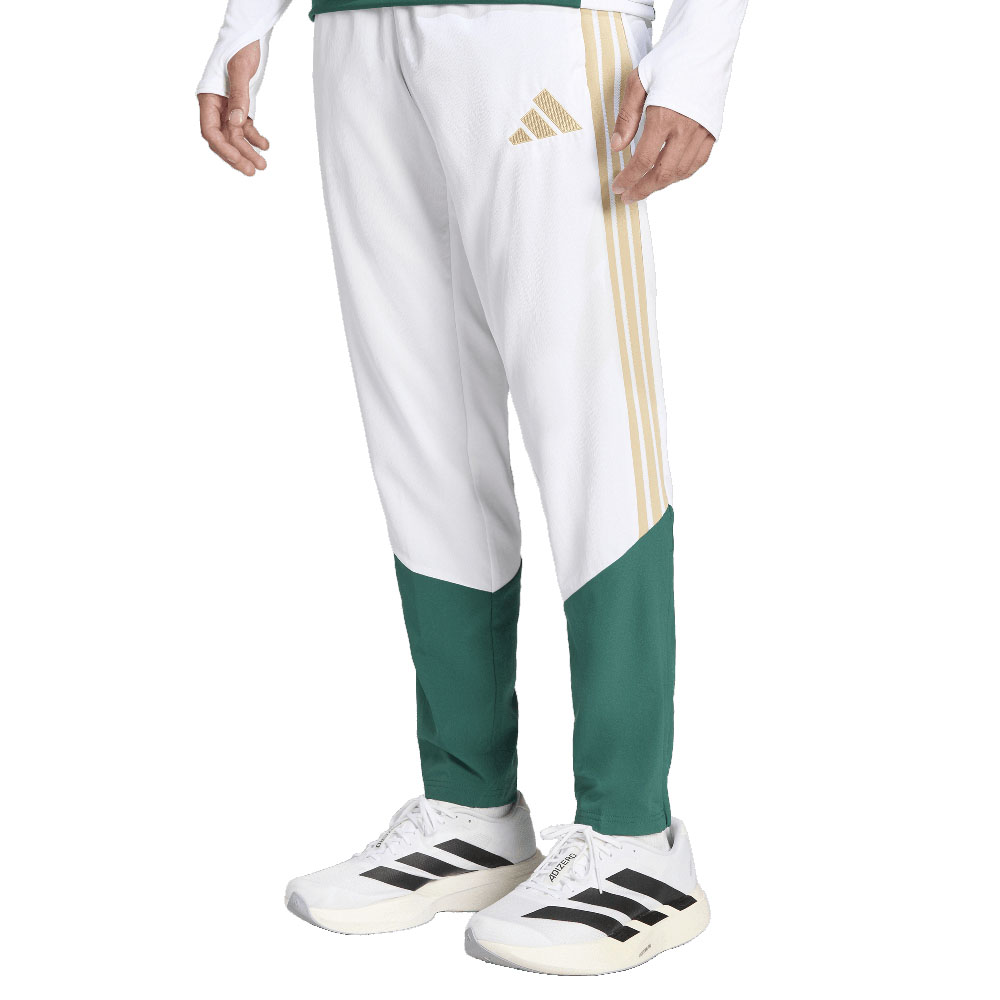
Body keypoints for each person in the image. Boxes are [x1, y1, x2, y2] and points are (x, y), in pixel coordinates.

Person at [198, 0, 746, 976]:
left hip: (541, 26)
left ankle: (634, 838)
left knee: (589, 420)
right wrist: (248, 17)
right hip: (359, 29)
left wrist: (698, 57)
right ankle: (470, 810)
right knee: (420, 430)